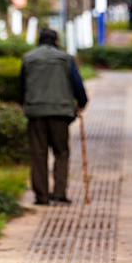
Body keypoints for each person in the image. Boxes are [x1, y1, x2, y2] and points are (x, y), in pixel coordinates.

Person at [19, 27, 88, 205]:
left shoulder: (28, 58)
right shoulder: (65, 59)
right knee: (61, 153)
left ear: (39, 40)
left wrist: (26, 104)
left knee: (38, 154)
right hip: (60, 113)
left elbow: (21, 86)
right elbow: (77, 83)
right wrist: (82, 102)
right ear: (56, 41)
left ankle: (41, 196)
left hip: (36, 113)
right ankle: (59, 193)